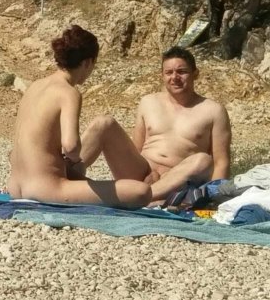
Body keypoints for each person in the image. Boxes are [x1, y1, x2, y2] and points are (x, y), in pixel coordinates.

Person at [8, 25, 152, 208]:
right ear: (87, 62)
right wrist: (76, 163)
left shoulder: (35, 86)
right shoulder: (68, 92)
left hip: (15, 187)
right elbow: (71, 146)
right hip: (45, 189)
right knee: (141, 192)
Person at [76, 46, 232, 202]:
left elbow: (221, 161)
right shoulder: (149, 102)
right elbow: (135, 149)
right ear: (162, 76)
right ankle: (61, 177)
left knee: (203, 160)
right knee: (103, 123)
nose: (175, 77)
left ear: (195, 74)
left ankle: (141, 196)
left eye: (182, 72)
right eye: (169, 72)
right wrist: (148, 174)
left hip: (175, 181)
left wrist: (215, 198)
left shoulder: (213, 111)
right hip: (141, 175)